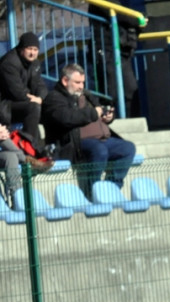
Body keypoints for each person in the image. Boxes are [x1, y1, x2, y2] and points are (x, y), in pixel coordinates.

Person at [41, 63, 137, 195]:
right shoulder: (54, 98)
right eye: (77, 82)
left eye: (83, 82)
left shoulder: (86, 95)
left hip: (101, 138)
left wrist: (108, 117)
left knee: (128, 148)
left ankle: (112, 187)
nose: (81, 86)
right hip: (73, 144)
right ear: (65, 80)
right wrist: (93, 114)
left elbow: (100, 110)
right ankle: (93, 190)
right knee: (99, 150)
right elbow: (67, 118)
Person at [89, 0, 148, 117]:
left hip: (119, 50)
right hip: (106, 49)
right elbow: (119, 13)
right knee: (111, 91)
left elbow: (125, 15)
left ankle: (130, 123)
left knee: (129, 90)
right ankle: (110, 122)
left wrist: (139, 20)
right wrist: (138, 19)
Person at [0, 32, 48, 155]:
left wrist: (41, 98)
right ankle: (29, 148)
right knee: (33, 107)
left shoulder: (35, 63)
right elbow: (17, 92)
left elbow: (40, 85)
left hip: (21, 102)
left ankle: (51, 149)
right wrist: (34, 99)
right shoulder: (9, 63)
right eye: (29, 49)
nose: (32, 53)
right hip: (5, 106)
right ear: (22, 49)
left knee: (53, 104)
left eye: (35, 49)